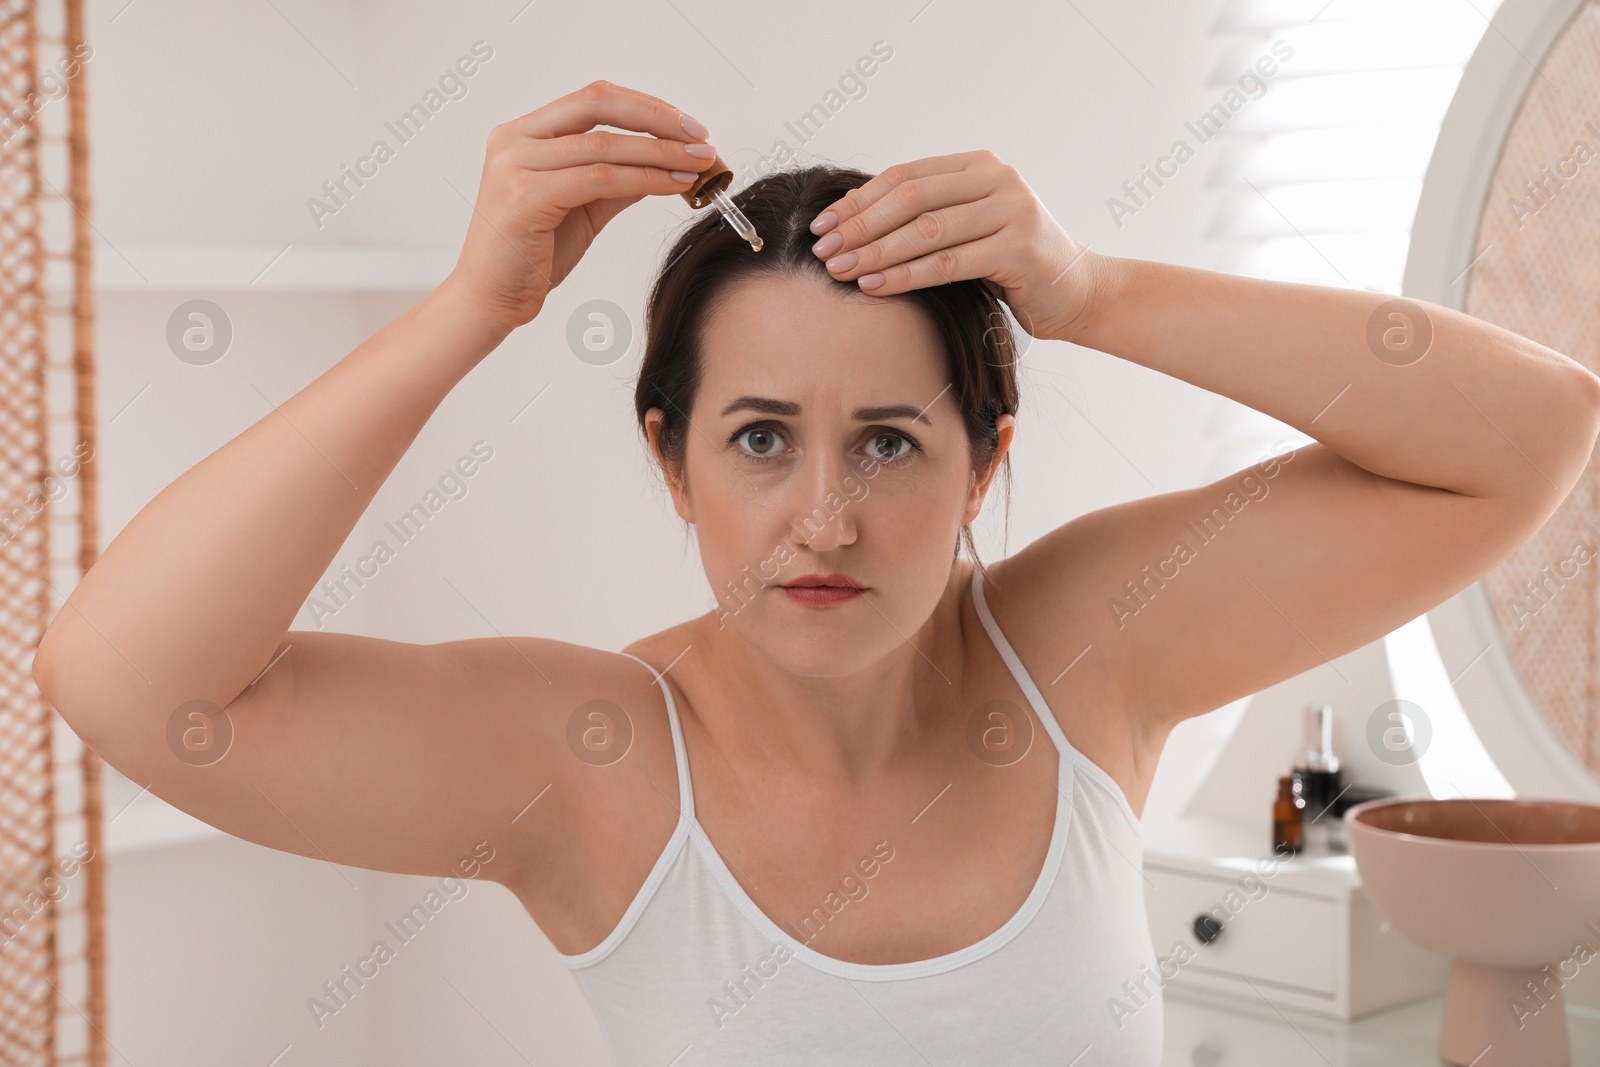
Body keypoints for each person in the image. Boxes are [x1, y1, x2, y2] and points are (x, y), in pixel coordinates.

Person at [32, 80, 1600, 1065]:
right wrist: (469, 311)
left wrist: (1090, 287)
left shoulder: (1087, 654)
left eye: (893, 446)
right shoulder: (588, 763)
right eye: (763, 439)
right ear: (673, 463)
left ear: (985, 463)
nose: (827, 520)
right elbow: (122, 681)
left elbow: (1532, 435)